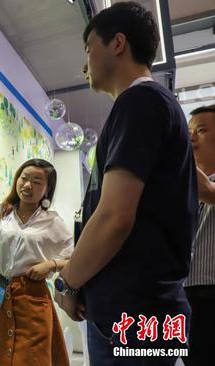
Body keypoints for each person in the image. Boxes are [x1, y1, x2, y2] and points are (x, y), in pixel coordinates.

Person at [53, 2, 198, 365]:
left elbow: (115, 216)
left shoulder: (139, 101)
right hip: (146, 308)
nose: (84, 65)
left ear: (118, 44)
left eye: (89, 49)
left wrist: (68, 282)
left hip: (130, 312)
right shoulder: (158, 105)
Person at [0, 158, 73, 366]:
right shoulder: (0, 211)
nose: (27, 185)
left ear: (47, 189)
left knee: (31, 358)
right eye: (24, 178)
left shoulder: (53, 221)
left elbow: (73, 258)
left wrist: (50, 265)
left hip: (32, 294)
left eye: (36, 181)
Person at [184, 105, 215, 365]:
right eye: (189, 131)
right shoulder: (186, 190)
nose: (190, 137)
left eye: (201, 130)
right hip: (187, 297)